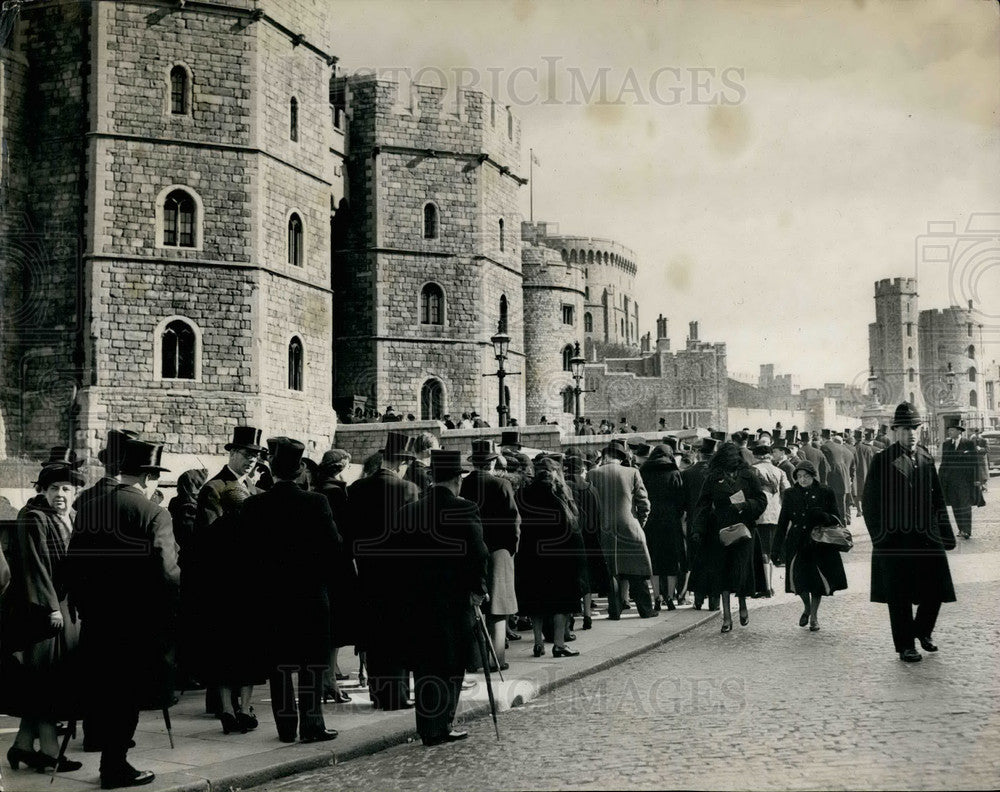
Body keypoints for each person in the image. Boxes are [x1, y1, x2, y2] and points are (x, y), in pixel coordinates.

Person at [67, 440, 179, 789]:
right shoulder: (154, 513)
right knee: (127, 694)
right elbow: (167, 573)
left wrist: (87, 606)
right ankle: (114, 766)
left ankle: (108, 758)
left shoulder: (91, 508)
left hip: (99, 619)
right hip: (139, 622)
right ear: (147, 476)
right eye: (156, 476)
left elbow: (74, 566)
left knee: (104, 688)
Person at [241, 438, 339, 742]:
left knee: (279, 664)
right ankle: (312, 725)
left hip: (271, 597)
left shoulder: (253, 505)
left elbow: (245, 555)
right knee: (311, 663)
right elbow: (333, 549)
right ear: (299, 472)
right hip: (310, 593)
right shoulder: (316, 502)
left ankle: (285, 728)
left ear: (272, 470)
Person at [393, 450, 489, 746]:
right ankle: (443, 723)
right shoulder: (465, 508)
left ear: (432, 478)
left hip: (418, 598)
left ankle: (428, 727)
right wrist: (478, 589)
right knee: (451, 663)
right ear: (457, 479)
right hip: (454, 598)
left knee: (425, 663)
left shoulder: (409, 510)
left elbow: (396, 557)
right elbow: (478, 554)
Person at [2, 463, 85, 774]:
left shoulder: (72, 518)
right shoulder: (34, 518)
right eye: (53, 489)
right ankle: (49, 752)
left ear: (75, 492)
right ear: (43, 491)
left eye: (66, 489)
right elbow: (33, 567)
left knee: (47, 683)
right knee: (46, 682)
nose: (60, 494)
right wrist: (50, 607)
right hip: (40, 613)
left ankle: (22, 747)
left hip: (68, 608)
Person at [862, 402, 956, 662]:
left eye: (915, 428)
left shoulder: (925, 457)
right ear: (895, 431)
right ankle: (906, 646)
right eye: (905, 429)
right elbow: (869, 503)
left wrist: (946, 534)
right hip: (895, 539)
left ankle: (923, 630)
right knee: (899, 595)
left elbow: (937, 498)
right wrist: (880, 537)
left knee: (936, 588)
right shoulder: (883, 460)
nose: (911, 433)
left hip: (927, 538)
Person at [348, 431, 420, 710]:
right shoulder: (408, 490)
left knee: (375, 633)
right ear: (401, 462)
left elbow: (350, 533)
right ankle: (397, 694)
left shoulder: (356, 489)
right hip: (400, 574)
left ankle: (378, 693)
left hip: (367, 571)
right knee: (398, 633)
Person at [196, 426, 263, 715]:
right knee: (224, 647)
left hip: (249, 581)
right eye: (247, 454)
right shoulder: (214, 488)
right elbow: (209, 537)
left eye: (256, 456)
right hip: (225, 580)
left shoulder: (256, 489)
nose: (251, 461)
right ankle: (223, 706)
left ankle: (239, 706)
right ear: (233, 453)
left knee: (244, 648)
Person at [692, 442, 768, 633]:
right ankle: (726, 616)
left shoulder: (749, 475)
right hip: (721, 531)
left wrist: (747, 505)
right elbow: (703, 504)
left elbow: (761, 499)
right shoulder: (712, 478)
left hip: (745, 529)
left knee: (741, 572)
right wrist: (698, 529)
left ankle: (742, 605)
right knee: (722, 574)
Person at [515, 459, 586, 657]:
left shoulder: (522, 495)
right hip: (559, 559)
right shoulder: (559, 496)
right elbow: (573, 529)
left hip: (531, 557)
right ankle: (559, 644)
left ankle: (538, 643)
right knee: (560, 602)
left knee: (535, 601)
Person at [460, 440, 520, 671]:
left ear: (474, 462)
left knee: (471, 609)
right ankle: (497, 659)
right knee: (497, 609)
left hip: (469, 552)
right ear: (493, 461)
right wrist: (511, 550)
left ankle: (475, 659)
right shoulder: (502, 484)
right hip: (498, 551)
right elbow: (513, 522)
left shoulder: (463, 485)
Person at [589, 439, 656, 619]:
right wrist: (639, 523)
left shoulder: (592, 474)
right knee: (638, 572)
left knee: (612, 572)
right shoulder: (632, 472)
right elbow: (644, 504)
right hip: (630, 526)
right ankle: (646, 610)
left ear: (605, 457)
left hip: (605, 528)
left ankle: (615, 611)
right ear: (621, 457)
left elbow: (589, 505)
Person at [777, 460, 847, 631]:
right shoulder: (790, 493)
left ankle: (814, 617)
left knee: (816, 583)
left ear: (812, 476)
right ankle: (806, 608)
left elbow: (837, 517)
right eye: (799, 477)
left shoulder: (825, 491)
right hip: (797, 542)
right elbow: (783, 521)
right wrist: (776, 547)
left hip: (818, 542)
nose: (802, 480)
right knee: (799, 581)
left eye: (806, 476)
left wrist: (823, 516)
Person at [315, 449, 359, 703]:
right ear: (342, 466)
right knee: (335, 627)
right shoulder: (337, 492)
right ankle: (328, 680)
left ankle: (327, 677)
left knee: (327, 627)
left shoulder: (318, 487)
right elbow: (347, 530)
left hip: (320, 564)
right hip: (338, 565)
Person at [639, 444, 687, 612]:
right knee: (672, 561)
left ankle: (657, 597)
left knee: (654, 561)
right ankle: (670, 597)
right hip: (671, 522)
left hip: (651, 522)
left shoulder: (644, 472)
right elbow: (682, 501)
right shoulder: (675, 473)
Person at [564, 453, 608, 629]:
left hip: (572, 538)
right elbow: (598, 514)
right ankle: (588, 615)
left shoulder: (565, 488)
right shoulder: (592, 488)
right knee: (587, 576)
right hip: (590, 538)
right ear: (582, 469)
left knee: (572, 576)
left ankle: (573, 615)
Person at [683, 437, 719, 611]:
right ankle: (714, 600)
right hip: (716, 523)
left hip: (694, 522)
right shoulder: (720, 474)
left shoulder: (688, 473)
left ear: (699, 454)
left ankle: (698, 598)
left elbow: (682, 502)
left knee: (697, 560)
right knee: (715, 560)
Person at [751, 442, 790, 597]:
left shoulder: (753, 470)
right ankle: (770, 585)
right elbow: (787, 493)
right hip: (775, 514)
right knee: (769, 550)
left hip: (758, 515)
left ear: (757, 456)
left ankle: (765, 586)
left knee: (761, 551)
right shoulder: (780, 471)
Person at [938, 416, 983, 540]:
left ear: (959, 431)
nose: (949, 432)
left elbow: (975, 463)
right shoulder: (946, 444)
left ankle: (967, 530)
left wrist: (977, 479)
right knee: (955, 505)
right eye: (949, 430)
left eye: (952, 430)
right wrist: (939, 479)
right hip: (950, 481)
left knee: (965, 505)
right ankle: (961, 529)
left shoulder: (968, 443)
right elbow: (943, 463)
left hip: (965, 481)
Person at [820, 432, 856, 525]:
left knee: (833, 504)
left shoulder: (825, 447)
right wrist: (850, 480)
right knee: (842, 504)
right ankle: (843, 525)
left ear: (823, 438)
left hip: (833, 479)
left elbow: (825, 465)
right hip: (845, 481)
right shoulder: (846, 450)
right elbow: (853, 468)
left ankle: (836, 526)